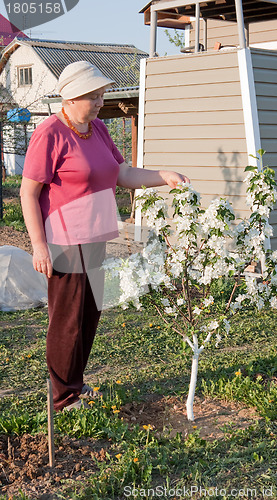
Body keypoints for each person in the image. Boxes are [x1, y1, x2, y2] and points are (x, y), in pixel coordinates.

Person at [20, 60, 189, 412]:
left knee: (89, 314)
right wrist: (38, 247)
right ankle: (63, 397)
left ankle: (76, 384)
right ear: (70, 98)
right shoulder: (49, 134)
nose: (100, 103)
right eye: (93, 96)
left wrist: (164, 175)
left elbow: (123, 174)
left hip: (96, 237)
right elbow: (28, 193)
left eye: (101, 95)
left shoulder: (97, 131)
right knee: (67, 318)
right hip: (64, 241)